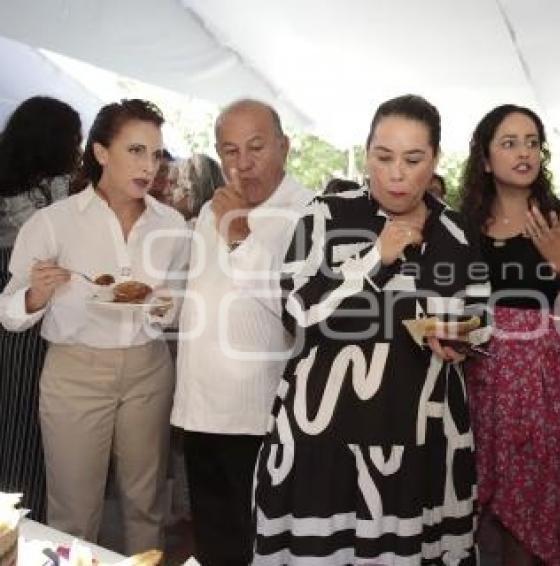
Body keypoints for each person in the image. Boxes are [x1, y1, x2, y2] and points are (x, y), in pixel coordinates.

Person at [252, 94, 488, 564]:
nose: (396, 173)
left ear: (435, 160)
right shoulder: (325, 215)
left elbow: (480, 318)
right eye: (383, 157)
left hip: (421, 437)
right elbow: (298, 311)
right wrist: (375, 257)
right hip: (326, 434)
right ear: (366, 153)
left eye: (413, 159)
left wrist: (462, 340)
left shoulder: (456, 232)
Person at [0, 99, 189, 553]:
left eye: (157, 154)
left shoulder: (173, 225)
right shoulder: (54, 222)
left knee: (146, 505)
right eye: (136, 151)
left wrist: (165, 306)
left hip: (148, 368)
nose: (150, 166)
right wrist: (37, 294)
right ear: (102, 153)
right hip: (75, 371)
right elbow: (9, 310)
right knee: (73, 511)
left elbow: (177, 303)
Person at [169, 99, 313, 565]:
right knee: (212, 541)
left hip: (260, 415)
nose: (242, 163)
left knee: (257, 544)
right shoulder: (216, 205)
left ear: (284, 147)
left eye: (256, 147)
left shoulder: (309, 211)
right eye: (229, 151)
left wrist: (238, 232)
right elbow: (208, 291)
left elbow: (296, 308)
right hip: (199, 407)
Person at [459, 104, 560, 565]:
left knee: (532, 503)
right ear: (485, 158)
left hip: (542, 383)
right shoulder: (464, 225)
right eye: (509, 142)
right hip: (477, 375)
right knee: (477, 504)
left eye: (532, 142)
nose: (524, 153)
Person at [0, 96, 81, 522]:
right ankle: (22, 520)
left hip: (26, 301)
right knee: (26, 420)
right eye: (74, 138)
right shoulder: (58, 190)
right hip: (28, 304)